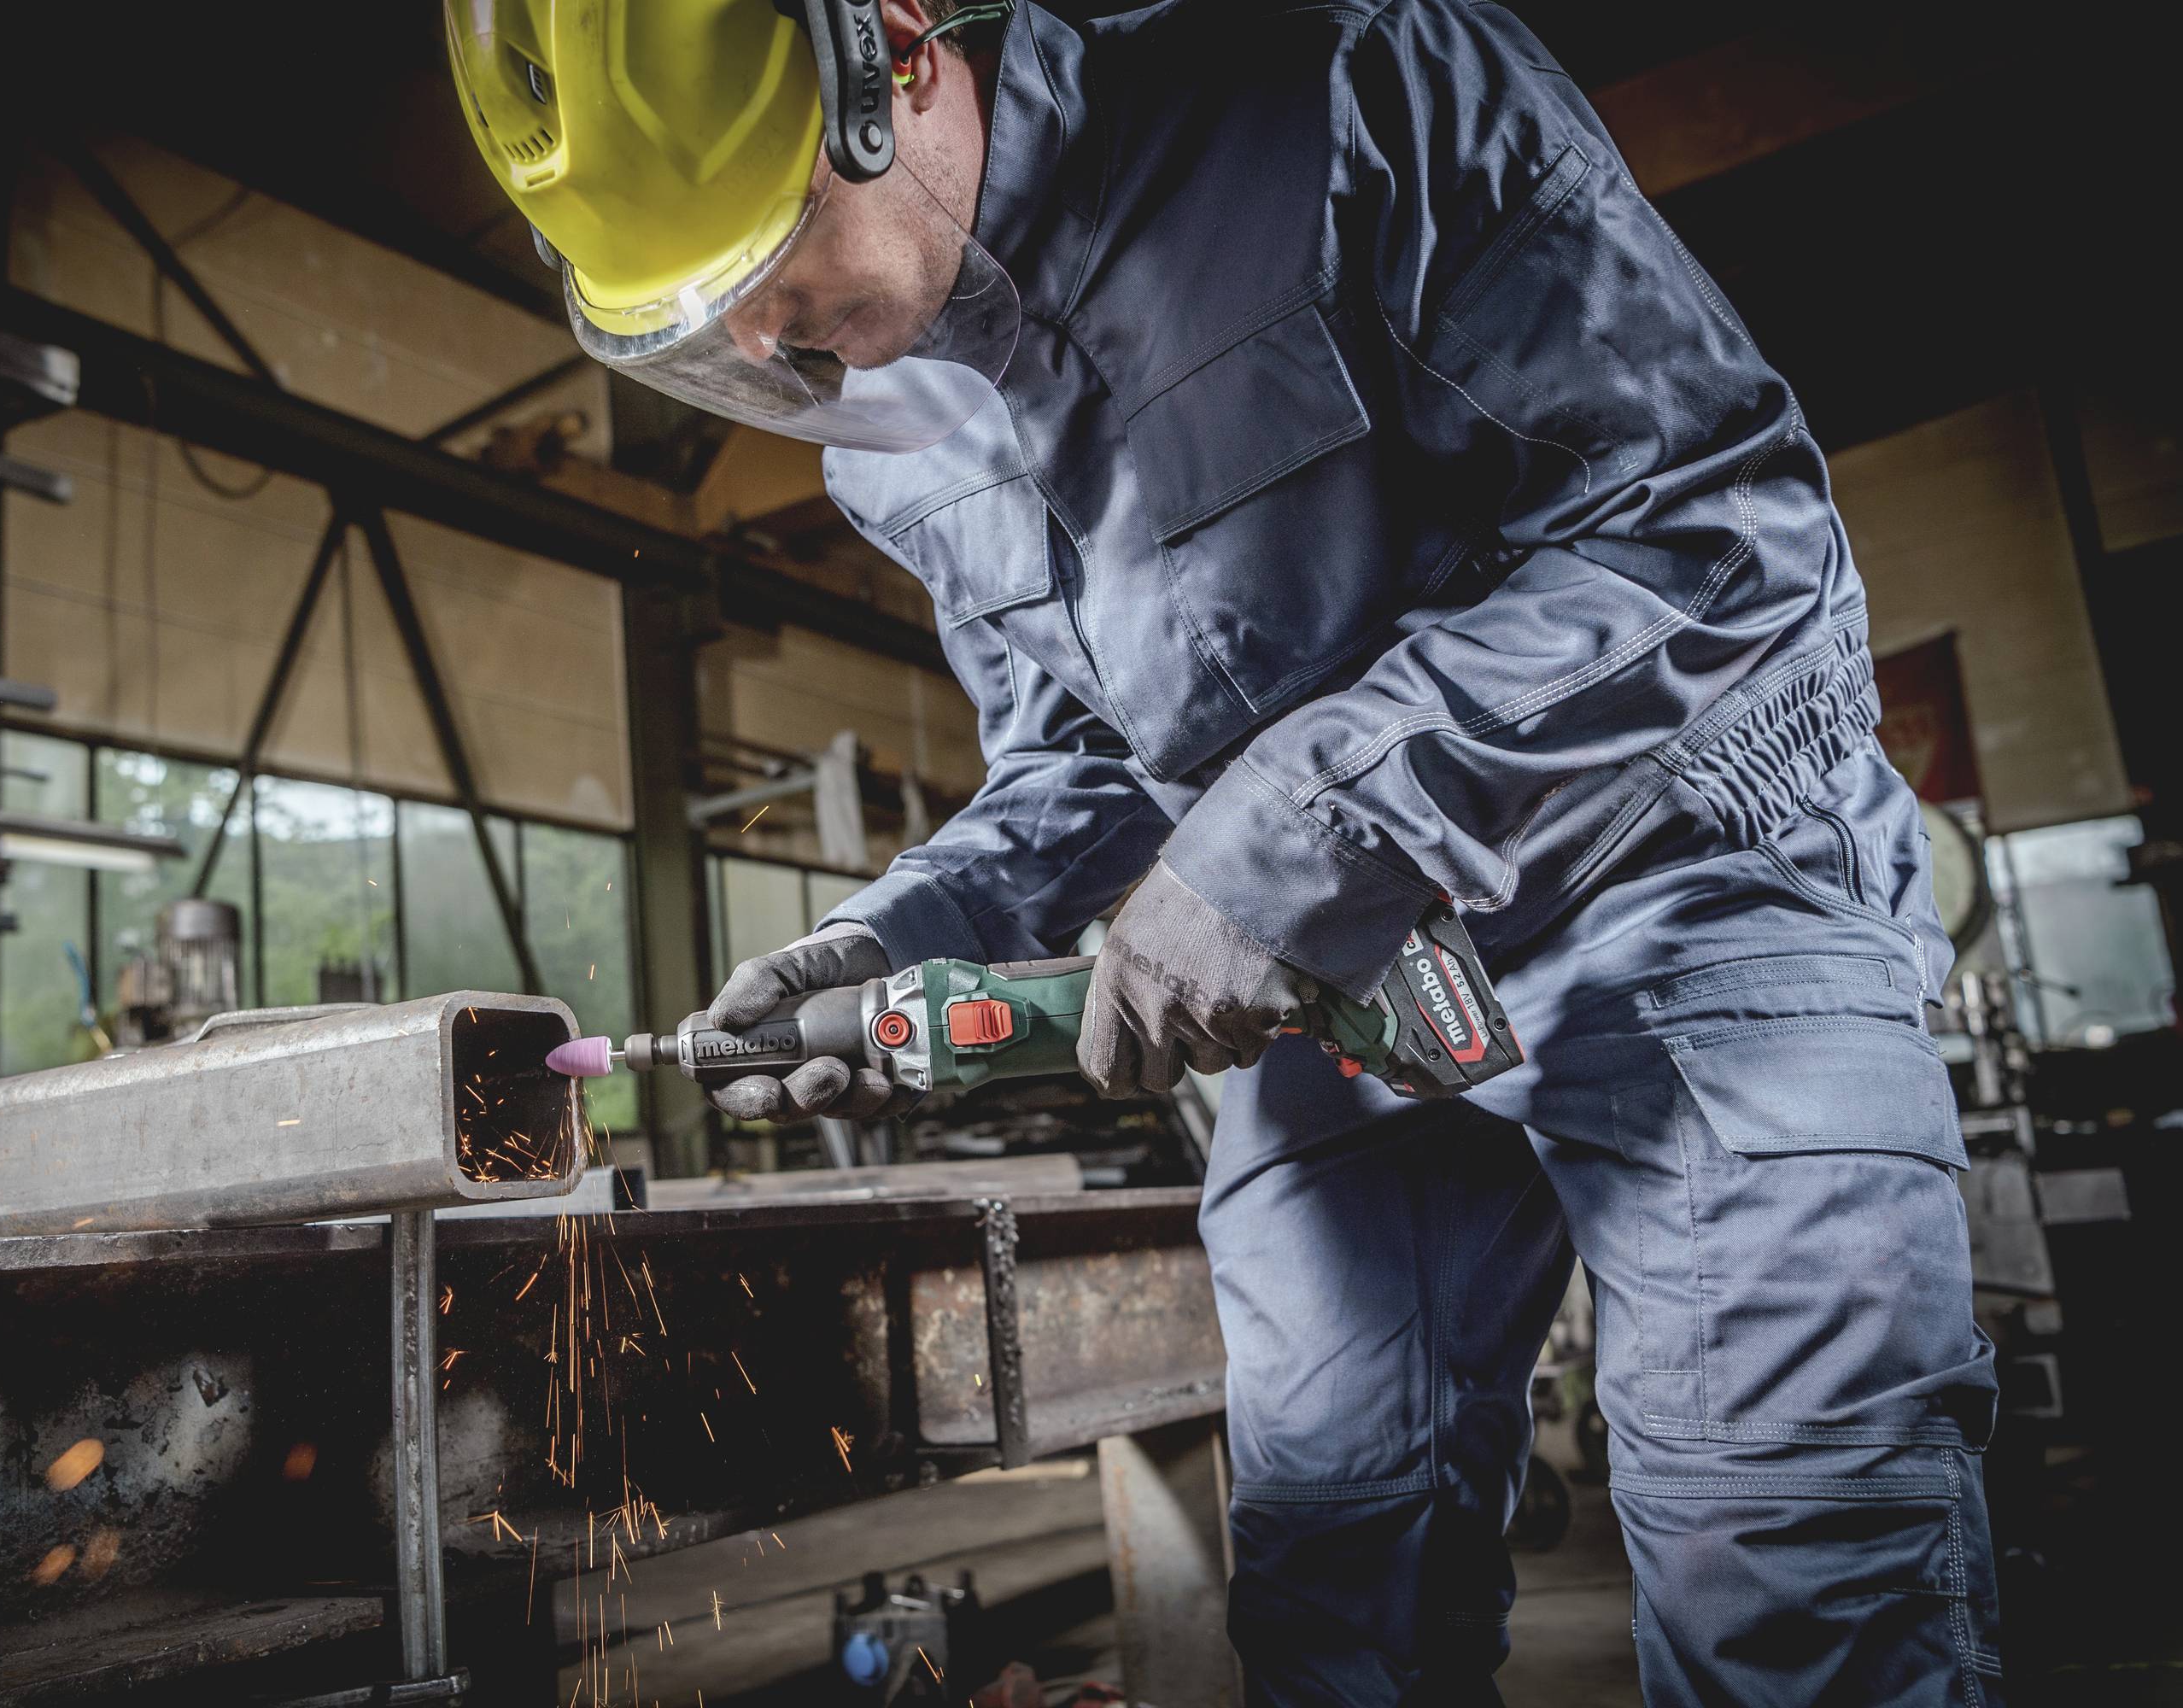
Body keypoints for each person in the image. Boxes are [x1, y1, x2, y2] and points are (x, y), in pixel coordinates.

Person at [449, 1, 2004, 1699]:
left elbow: (1714, 530)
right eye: (692, 316)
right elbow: (1086, 751)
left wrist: (1294, 837)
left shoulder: (1340, 85)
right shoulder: (897, 433)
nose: (763, 335)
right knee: (1338, 1575)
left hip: (1682, 878)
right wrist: (911, 925)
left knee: (1794, 1575)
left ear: (895, 53)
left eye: (761, 248)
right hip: (1341, 995)